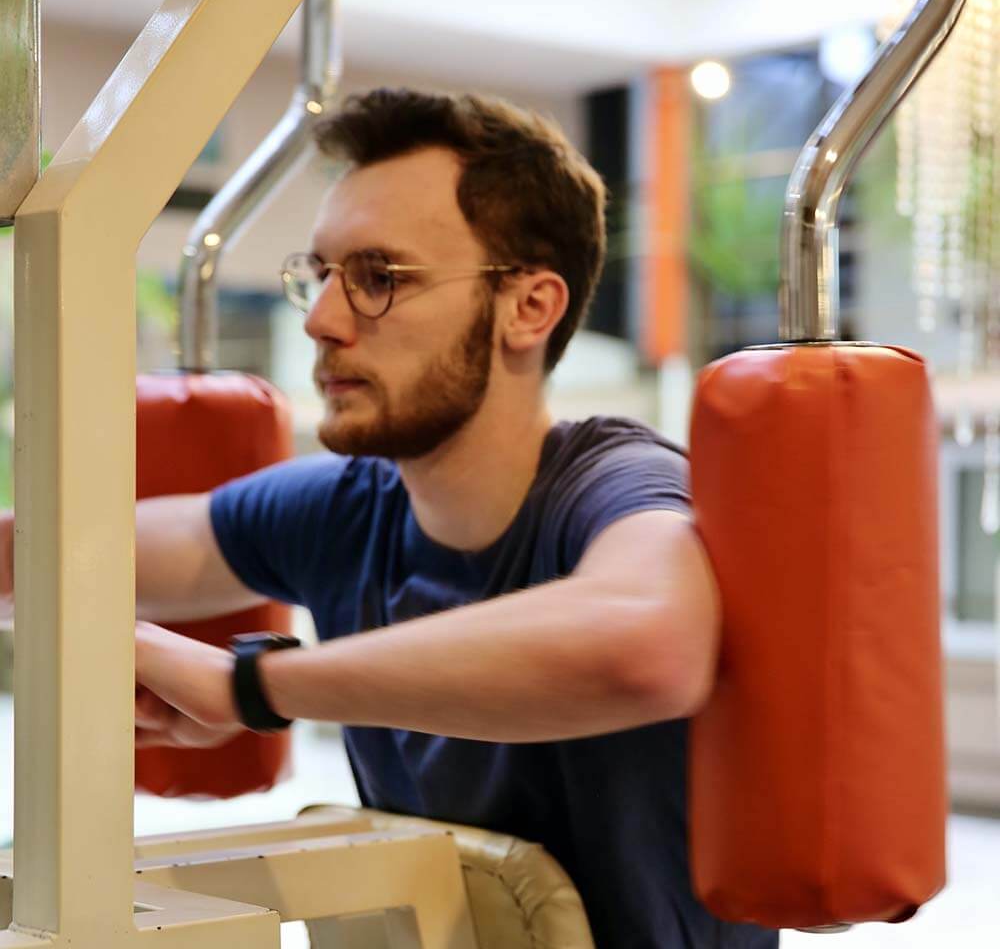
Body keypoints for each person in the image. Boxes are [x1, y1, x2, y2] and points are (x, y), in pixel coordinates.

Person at [3, 89, 776, 948]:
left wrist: (250, 686)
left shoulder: (617, 486)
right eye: (322, 276)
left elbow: (652, 643)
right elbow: (79, 555)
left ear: (530, 307)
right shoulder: (348, 506)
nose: (325, 322)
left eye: (380, 279)